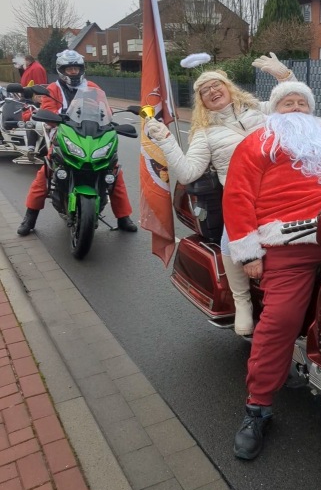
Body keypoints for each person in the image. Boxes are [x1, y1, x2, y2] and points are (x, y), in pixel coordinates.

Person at [222, 81, 321, 460]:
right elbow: (237, 197)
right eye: (288, 103)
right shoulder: (258, 143)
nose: (296, 107)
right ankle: (258, 407)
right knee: (280, 319)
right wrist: (249, 254)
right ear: (274, 110)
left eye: (302, 102)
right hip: (289, 243)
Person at [145, 53, 295, 337]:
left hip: (283, 188)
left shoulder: (259, 110)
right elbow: (188, 173)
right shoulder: (204, 133)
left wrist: (284, 76)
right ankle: (242, 302)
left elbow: (294, 106)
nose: (212, 91)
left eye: (216, 85)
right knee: (231, 241)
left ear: (228, 87)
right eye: (205, 91)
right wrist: (165, 140)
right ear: (201, 101)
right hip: (243, 199)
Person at [17, 50, 138, 236]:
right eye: (69, 69)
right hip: (64, 133)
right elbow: (48, 110)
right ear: (61, 70)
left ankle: (123, 217)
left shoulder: (92, 86)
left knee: (113, 171)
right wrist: (58, 115)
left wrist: (107, 116)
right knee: (46, 171)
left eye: (76, 68)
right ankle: (30, 217)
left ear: (82, 69)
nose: (73, 72)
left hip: (92, 133)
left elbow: (105, 110)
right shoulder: (53, 89)